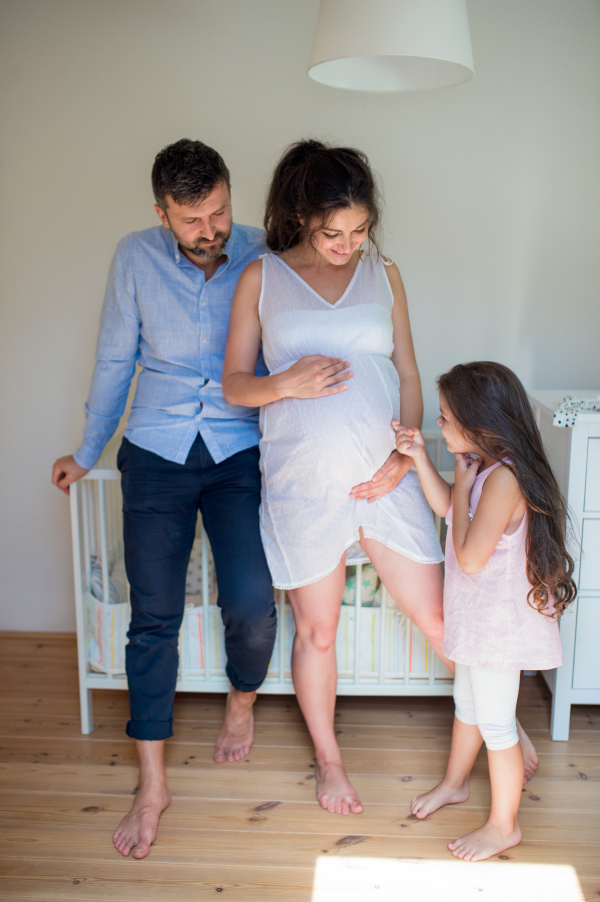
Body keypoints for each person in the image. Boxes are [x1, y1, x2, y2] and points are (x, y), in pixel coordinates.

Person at [51, 139, 276, 859]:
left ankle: (241, 705)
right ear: (162, 214)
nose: (210, 230)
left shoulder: (264, 251)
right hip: (156, 451)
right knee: (153, 616)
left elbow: (290, 350)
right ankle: (152, 782)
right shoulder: (134, 258)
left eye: (218, 211)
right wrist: (87, 452)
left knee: (250, 599)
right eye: (191, 220)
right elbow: (116, 357)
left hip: (240, 450)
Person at [223, 139, 452, 816]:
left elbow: (407, 374)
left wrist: (403, 457)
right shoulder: (260, 278)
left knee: (440, 617)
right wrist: (284, 381)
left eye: (358, 231)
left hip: (387, 478)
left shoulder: (386, 273)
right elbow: (236, 385)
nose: (346, 244)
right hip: (304, 484)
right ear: (301, 217)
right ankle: (330, 761)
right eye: (331, 233)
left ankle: (504, 727)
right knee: (317, 631)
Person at [394, 362, 576, 861]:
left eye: (447, 418)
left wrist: (457, 486)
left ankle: (504, 825)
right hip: (478, 620)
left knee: (496, 725)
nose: (439, 425)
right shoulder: (482, 469)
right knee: (468, 709)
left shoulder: (503, 480)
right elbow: (450, 513)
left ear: (482, 424)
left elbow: (470, 557)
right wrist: (419, 461)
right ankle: (455, 783)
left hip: (500, 629)